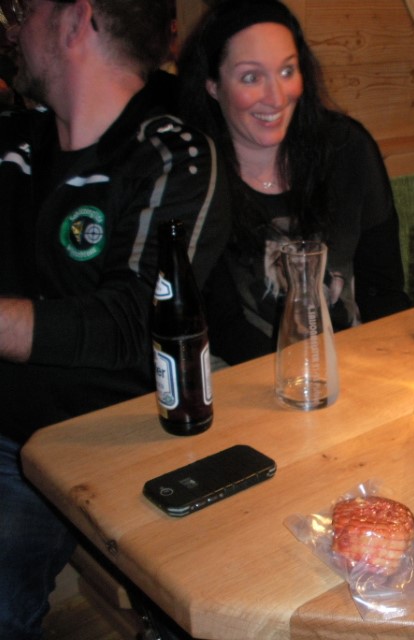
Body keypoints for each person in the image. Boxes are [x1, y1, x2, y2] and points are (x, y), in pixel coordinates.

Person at [0, 0, 230, 637]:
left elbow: (133, 321)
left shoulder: (173, 155)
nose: (13, 26)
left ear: (76, 20)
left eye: (25, 9)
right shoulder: (13, 140)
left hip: (116, 443)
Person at [177, 0, 410, 366]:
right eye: (251, 77)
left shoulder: (348, 149)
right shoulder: (194, 178)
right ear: (212, 85)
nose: (276, 97)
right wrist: (304, 381)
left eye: (287, 71)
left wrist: (394, 366)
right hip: (249, 376)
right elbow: (224, 328)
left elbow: (383, 292)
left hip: (355, 365)